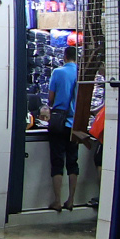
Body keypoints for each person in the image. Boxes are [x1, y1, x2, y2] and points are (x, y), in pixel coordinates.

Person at [47, 44, 82, 211]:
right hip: (75, 123)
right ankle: (71, 200)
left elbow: (51, 98)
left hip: (58, 122)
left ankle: (57, 201)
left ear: (65, 57)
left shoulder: (58, 72)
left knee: (57, 161)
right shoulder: (81, 74)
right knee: (73, 162)